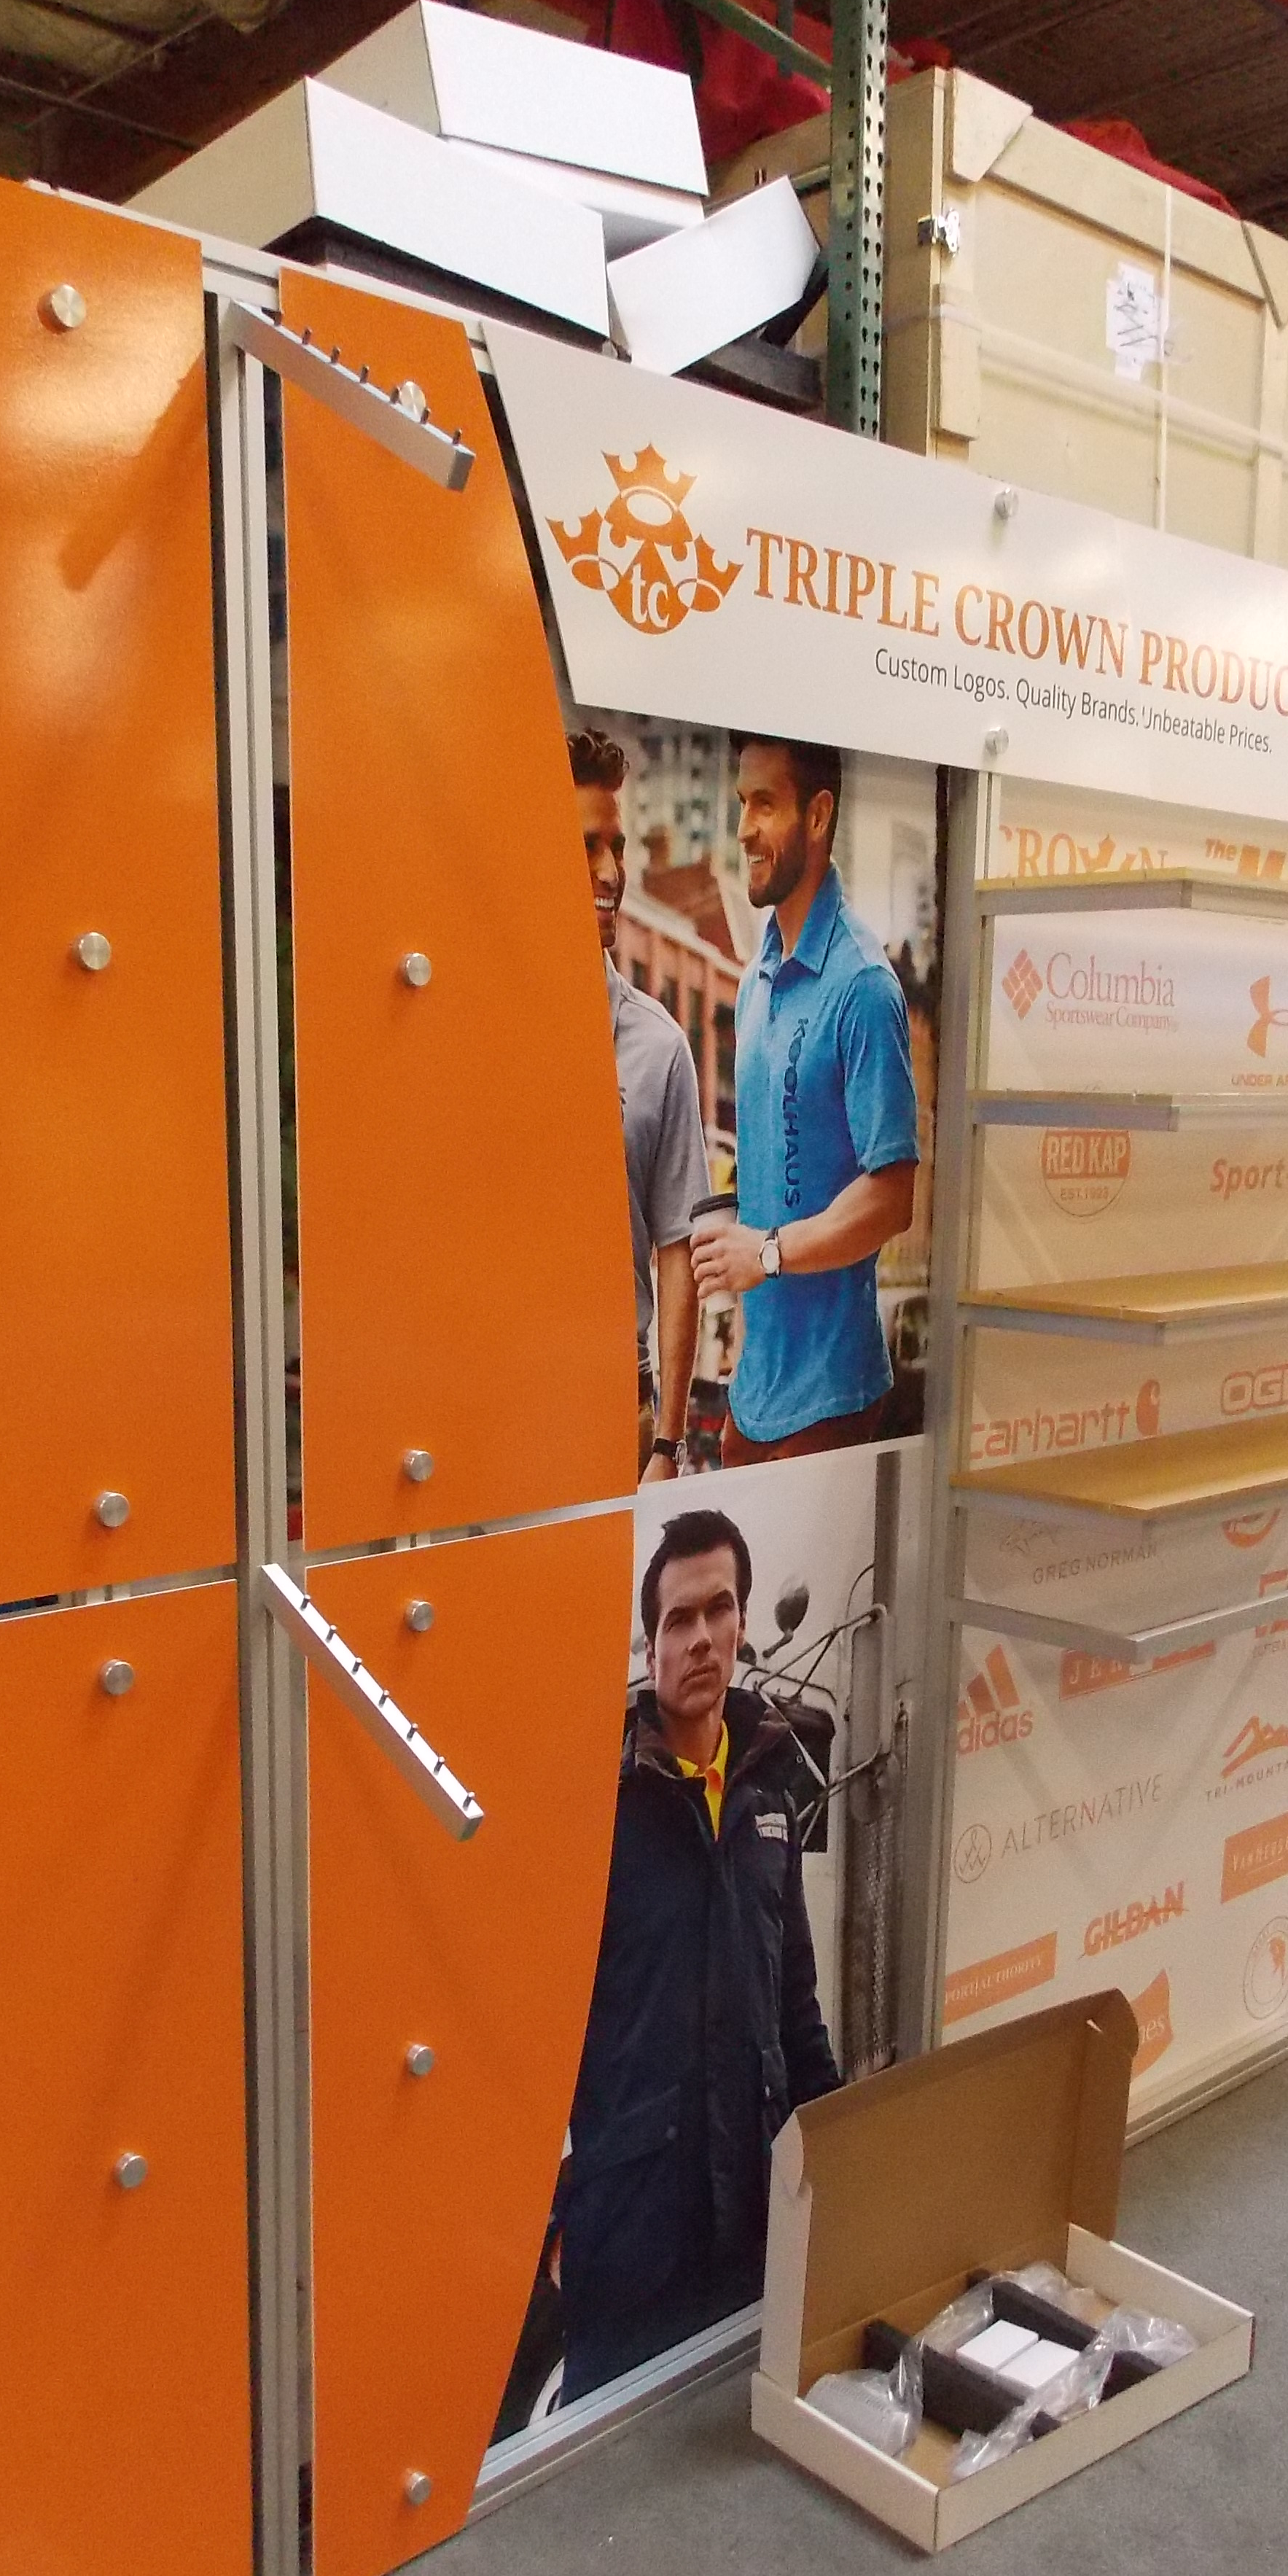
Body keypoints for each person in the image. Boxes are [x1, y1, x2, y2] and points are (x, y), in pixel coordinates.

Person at [555, 1507, 840, 2400]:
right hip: (632, 2227)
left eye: (719, 1609)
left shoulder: (769, 1795)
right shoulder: (598, 1810)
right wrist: (551, 2220)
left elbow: (795, 2004)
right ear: (651, 1649)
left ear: (743, 1623)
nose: (702, 1638)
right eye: (679, 1620)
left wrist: (840, 2159)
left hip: (753, 2211)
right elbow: (537, 2038)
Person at [690, 737, 919, 1462]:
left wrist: (767, 1253)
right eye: (741, 804)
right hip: (752, 1396)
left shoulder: (863, 986)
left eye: (765, 805)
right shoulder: (755, 979)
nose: (744, 829)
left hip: (831, 1398)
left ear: (818, 817)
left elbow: (893, 1197)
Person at [573, 729, 706, 1482]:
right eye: (586, 846)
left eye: (617, 848)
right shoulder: (483, 1037)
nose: (609, 871)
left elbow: (679, 1252)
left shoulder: (659, 1047)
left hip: (618, 1412)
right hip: (498, 1407)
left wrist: (668, 1444)